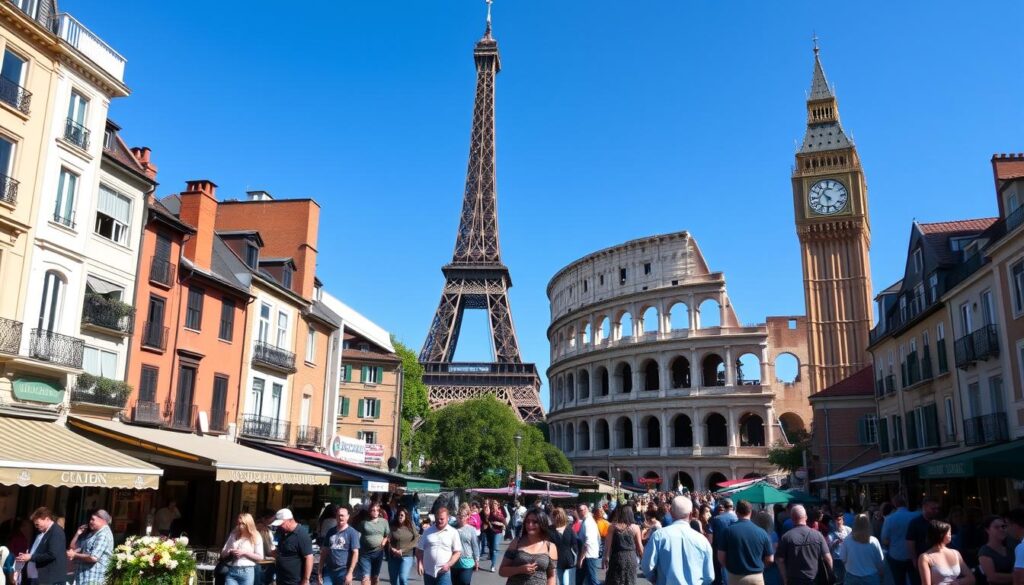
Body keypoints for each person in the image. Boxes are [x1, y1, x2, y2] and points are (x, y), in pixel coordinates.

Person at [641, 495, 714, 585]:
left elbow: (647, 566)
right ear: (691, 515)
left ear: (671, 513)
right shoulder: (702, 540)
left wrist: (655, 579)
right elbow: (709, 576)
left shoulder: (659, 536)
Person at [718, 500, 773, 585]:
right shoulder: (762, 532)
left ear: (736, 512)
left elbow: (721, 557)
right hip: (756, 577)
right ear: (750, 512)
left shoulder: (727, 531)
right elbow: (770, 559)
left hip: (735, 576)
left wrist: (731, 568)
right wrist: (760, 568)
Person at [498, 507, 557, 585]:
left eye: (535, 522)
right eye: (527, 521)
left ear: (542, 524)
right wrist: (519, 569)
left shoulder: (550, 547)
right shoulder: (516, 542)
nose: (530, 525)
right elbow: (502, 571)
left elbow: (551, 576)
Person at [776, 505, 832, 585]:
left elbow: (779, 560)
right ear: (805, 517)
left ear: (792, 518)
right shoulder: (818, 535)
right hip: (814, 579)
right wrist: (830, 575)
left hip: (794, 581)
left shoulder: (786, 537)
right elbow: (828, 558)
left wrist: (785, 579)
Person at [15, 507, 66, 585]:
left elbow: (52, 554)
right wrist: (27, 555)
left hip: (48, 579)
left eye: (37, 524)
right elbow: (37, 552)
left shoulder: (56, 532)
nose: (36, 526)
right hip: (35, 578)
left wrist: (31, 557)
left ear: (47, 519)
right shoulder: (41, 533)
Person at [416, 506, 462, 585]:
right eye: (437, 519)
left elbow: (457, 552)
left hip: (444, 572)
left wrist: (449, 564)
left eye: (442, 519)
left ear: (448, 518)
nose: (439, 521)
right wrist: (419, 563)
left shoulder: (453, 532)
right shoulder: (427, 531)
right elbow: (419, 549)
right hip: (428, 572)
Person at [67, 509, 114, 585]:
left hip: (94, 578)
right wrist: (78, 534)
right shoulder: (94, 534)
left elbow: (93, 557)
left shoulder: (103, 535)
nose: (90, 522)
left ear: (102, 520)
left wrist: (75, 555)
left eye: (93, 519)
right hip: (85, 577)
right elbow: (74, 548)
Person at [917, 520, 972, 585]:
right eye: (948, 532)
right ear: (941, 534)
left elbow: (971, 578)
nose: (950, 535)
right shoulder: (925, 557)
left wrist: (957, 582)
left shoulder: (956, 553)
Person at [838, 515, 885, 585]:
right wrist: (881, 576)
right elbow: (880, 562)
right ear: (868, 525)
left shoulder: (847, 540)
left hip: (852, 577)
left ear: (855, 524)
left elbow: (843, 559)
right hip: (871, 578)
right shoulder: (874, 541)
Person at [220, 513, 265, 585]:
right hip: (232, 570)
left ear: (249, 524)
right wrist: (230, 551)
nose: (240, 526)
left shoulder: (255, 536)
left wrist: (244, 553)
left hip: (247, 571)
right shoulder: (234, 534)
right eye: (238, 523)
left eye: (243, 524)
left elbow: (260, 557)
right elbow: (223, 553)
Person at [603, 505, 643, 585]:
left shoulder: (612, 527)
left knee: (615, 580)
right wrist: (643, 558)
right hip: (631, 557)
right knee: (629, 580)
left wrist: (606, 557)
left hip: (617, 556)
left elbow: (608, 545)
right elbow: (639, 546)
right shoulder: (635, 528)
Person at [272, 508, 314, 585]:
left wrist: (306, 580)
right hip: (281, 579)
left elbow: (309, 557)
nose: (279, 526)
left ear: (290, 520)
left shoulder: (301, 535)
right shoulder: (283, 533)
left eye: (281, 524)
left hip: (294, 581)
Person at [320, 506, 360, 585]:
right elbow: (324, 551)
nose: (340, 517)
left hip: (343, 571)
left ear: (348, 517)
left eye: (342, 515)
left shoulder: (352, 532)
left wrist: (350, 573)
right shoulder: (331, 531)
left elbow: (355, 553)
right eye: (338, 515)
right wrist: (319, 571)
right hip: (328, 570)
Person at [883, 495, 917, 585]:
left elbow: (884, 539)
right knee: (915, 580)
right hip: (913, 554)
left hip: (896, 554)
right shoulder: (915, 516)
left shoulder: (889, 519)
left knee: (899, 581)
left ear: (894, 504)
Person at [908, 499, 942, 585]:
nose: (936, 511)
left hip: (940, 559)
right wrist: (914, 560)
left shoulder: (940, 521)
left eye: (937, 508)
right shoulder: (915, 523)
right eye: (933, 508)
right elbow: (910, 542)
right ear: (924, 507)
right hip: (924, 560)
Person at [356, 503, 389, 585]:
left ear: (379, 511)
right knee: (365, 578)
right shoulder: (364, 523)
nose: (375, 512)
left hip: (378, 552)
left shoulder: (384, 522)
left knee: (375, 577)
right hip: (365, 554)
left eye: (377, 510)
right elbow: (356, 534)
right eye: (373, 510)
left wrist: (384, 541)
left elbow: (387, 535)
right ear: (369, 511)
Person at [977, 515, 1014, 585]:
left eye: (1003, 526)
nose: (1001, 529)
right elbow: (992, 577)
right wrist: (1017, 576)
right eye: (996, 527)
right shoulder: (985, 551)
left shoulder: (1010, 549)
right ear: (987, 530)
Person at [387, 507, 418, 585]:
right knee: (394, 581)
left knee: (403, 578)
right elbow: (387, 539)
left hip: (407, 556)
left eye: (402, 515)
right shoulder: (392, 525)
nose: (400, 517)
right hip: (393, 556)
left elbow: (416, 538)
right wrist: (391, 549)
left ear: (406, 516)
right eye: (398, 515)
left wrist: (403, 550)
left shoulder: (410, 525)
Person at [711, 498, 739, 585]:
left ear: (723, 506)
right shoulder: (738, 518)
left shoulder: (717, 519)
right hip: (737, 551)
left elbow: (711, 537)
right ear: (732, 506)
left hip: (721, 551)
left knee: (725, 577)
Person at [549, 508, 578, 585]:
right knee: (558, 583)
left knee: (568, 583)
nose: (551, 518)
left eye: (552, 517)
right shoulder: (549, 530)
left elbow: (575, 545)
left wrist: (575, 557)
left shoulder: (569, 529)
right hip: (555, 562)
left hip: (569, 561)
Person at [453, 504, 480, 585]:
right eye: (459, 516)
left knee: (465, 582)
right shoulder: (452, 528)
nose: (461, 518)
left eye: (463, 516)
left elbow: (475, 545)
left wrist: (476, 560)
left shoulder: (471, 530)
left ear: (468, 516)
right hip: (454, 561)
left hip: (467, 561)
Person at [753, 511, 782, 585]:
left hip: (757, 567)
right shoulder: (773, 534)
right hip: (771, 568)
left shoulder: (754, 535)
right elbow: (775, 551)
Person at [575, 503, 601, 585]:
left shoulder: (588, 522)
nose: (581, 512)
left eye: (582, 510)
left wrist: (581, 558)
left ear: (587, 510)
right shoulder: (586, 521)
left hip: (589, 555)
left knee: (592, 579)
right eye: (579, 511)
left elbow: (587, 542)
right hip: (588, 555)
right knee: (581, 579)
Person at [828, 513, 853, 584]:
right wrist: (835, 543)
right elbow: (829, 548)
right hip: (837, 559)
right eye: (836, 520)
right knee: (839, 579)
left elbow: (853, 542)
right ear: (834, 521)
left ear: (843, 520)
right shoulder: (831, 533)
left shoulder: (849, 530)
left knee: (848, 578)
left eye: (839, 519)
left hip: (848, 558)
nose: (838, 522)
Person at [485, 500, 507, 572]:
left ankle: (493, 565)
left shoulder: (500, 513)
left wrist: (499, 524)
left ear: (498, 505)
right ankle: (492, 557)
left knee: (494, 549)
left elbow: (505, 524)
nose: (494, 506)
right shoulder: (490, 513)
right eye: (493, 505)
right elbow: (487, 520)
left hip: (498, 532)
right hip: (490, 532)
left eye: (495, 504)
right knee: (491, 548)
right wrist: (490, 523)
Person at [1005, 509, 1024, 585]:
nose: (1006, 530)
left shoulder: (1021, 548)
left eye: (1007, 525)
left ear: (1015, 525)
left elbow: (1020, 580)